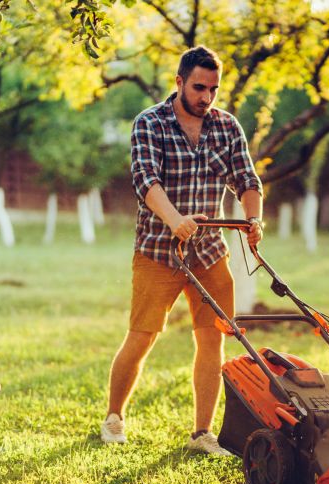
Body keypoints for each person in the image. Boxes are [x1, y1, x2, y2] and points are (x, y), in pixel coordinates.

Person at [100, 46, 263, 455]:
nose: (206, 97)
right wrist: (175, 220)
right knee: (142, 336)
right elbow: (144, 179)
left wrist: (253, 220)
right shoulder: (149, 123)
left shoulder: (226, 126)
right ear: (179, 82)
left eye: (213, 89)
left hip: (209, 252)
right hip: (158, 251)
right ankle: (114, 416)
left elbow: (246, 178)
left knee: (213, 340)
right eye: (198, 87)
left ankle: (202, 434)